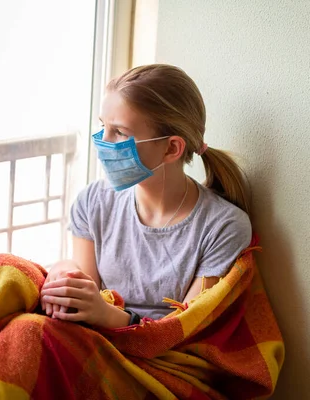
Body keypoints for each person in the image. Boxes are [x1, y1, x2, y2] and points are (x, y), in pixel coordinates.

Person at [40, 64, 252, 328]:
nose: (103, 142)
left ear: (172, 148)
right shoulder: (93, 201)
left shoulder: (223, 227)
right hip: (92, 338)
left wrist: (109, 316)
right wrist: (64, 276)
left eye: (119, 132)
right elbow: (86, 294)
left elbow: (184, 330)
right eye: (103, 126)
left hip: (159, 359)